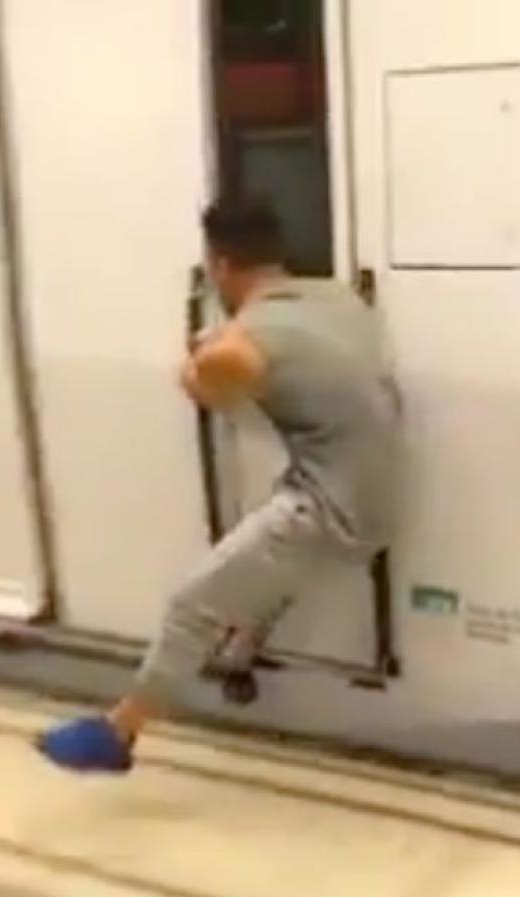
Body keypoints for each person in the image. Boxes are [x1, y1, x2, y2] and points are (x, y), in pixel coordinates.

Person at [35, 195, 401, 773]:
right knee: (261, 551)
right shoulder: (337, 299)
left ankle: (118, 734)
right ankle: (238, 652)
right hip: (378, 491)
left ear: (220, 267)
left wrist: (196, 364)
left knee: (192, 603)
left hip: (332, 509)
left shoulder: (251, 334)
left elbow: (224, 373)